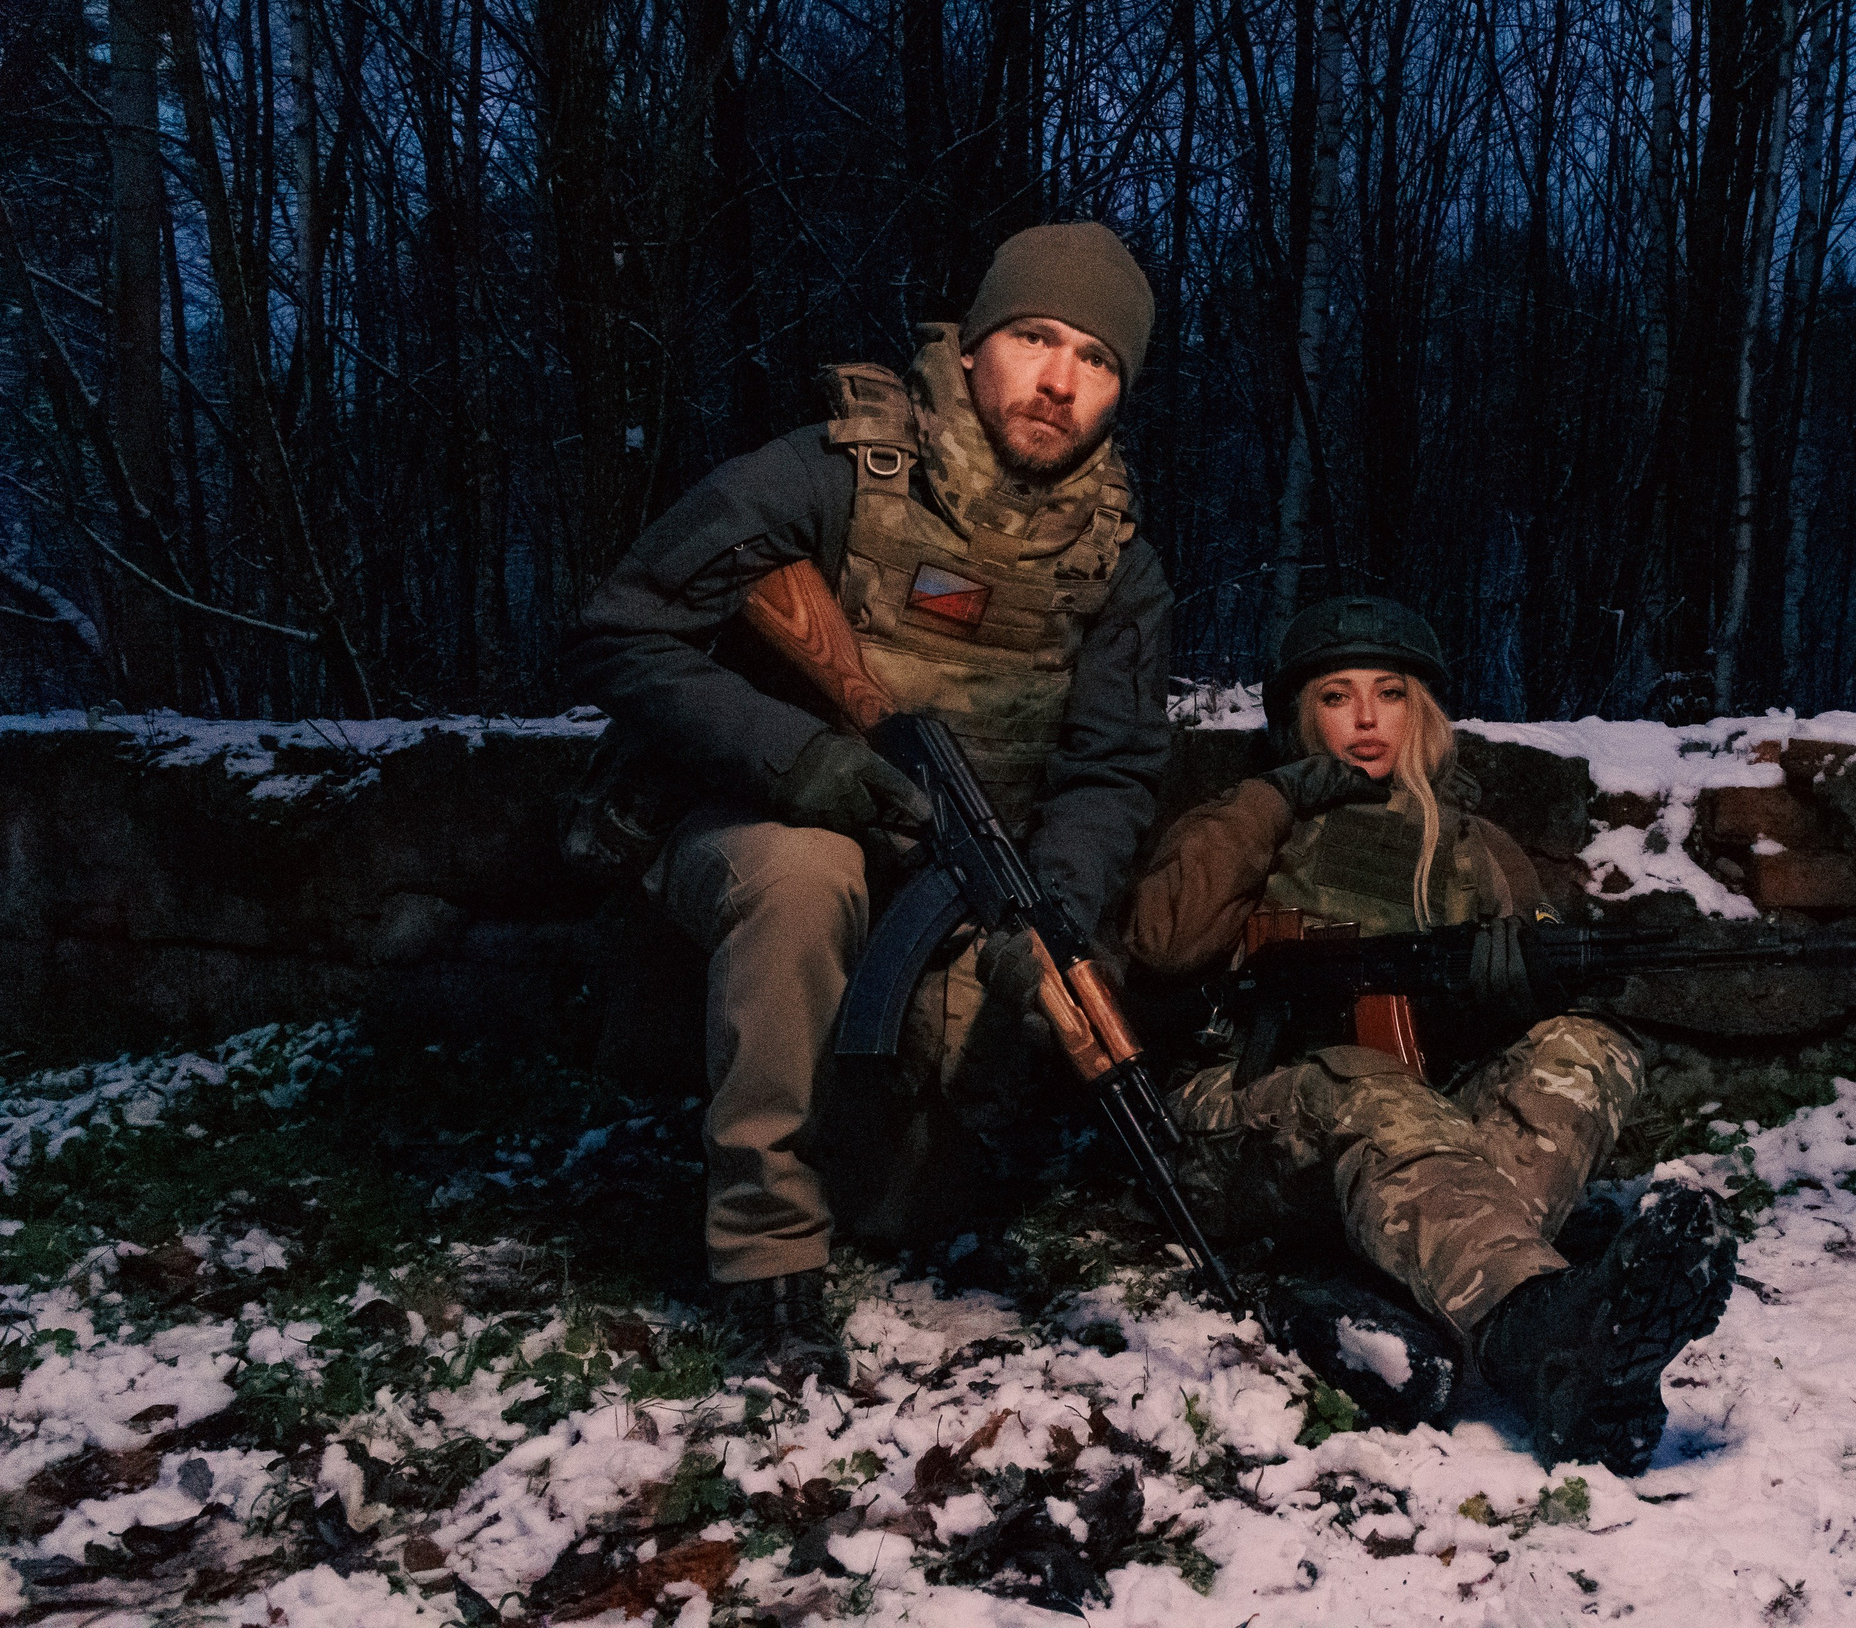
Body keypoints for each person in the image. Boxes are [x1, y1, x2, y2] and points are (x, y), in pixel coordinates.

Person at [563, 223, 1172, 1388]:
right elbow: (619, 629)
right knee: (806, 875)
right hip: (750, 835)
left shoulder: (1116, 565)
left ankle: (802, 1127)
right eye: (1033, 337)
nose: (1056, 379)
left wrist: (1040, 922)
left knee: (913, 1200)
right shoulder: (831, 472)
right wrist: (801, 758)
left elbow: (1110, 771)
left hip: (944, 872)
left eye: (1095, 359)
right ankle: (765, 1262)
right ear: (972, 342)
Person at [1123, 596, 1739, 1477]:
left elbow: (1527, 999)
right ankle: (1538, 1323)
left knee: (1584, 1049)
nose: (1368, 718)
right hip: (1250, 1121)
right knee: (1360, 1083)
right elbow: (1162, 940)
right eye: (1337, 696)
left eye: (1391, 692)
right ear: (1301, 713)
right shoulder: (1253, 816)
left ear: (1425, 711)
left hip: (1412, 1132)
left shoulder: (1475, 844)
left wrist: (1514, 992)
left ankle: (1465, 1319)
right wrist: (1275, 796)